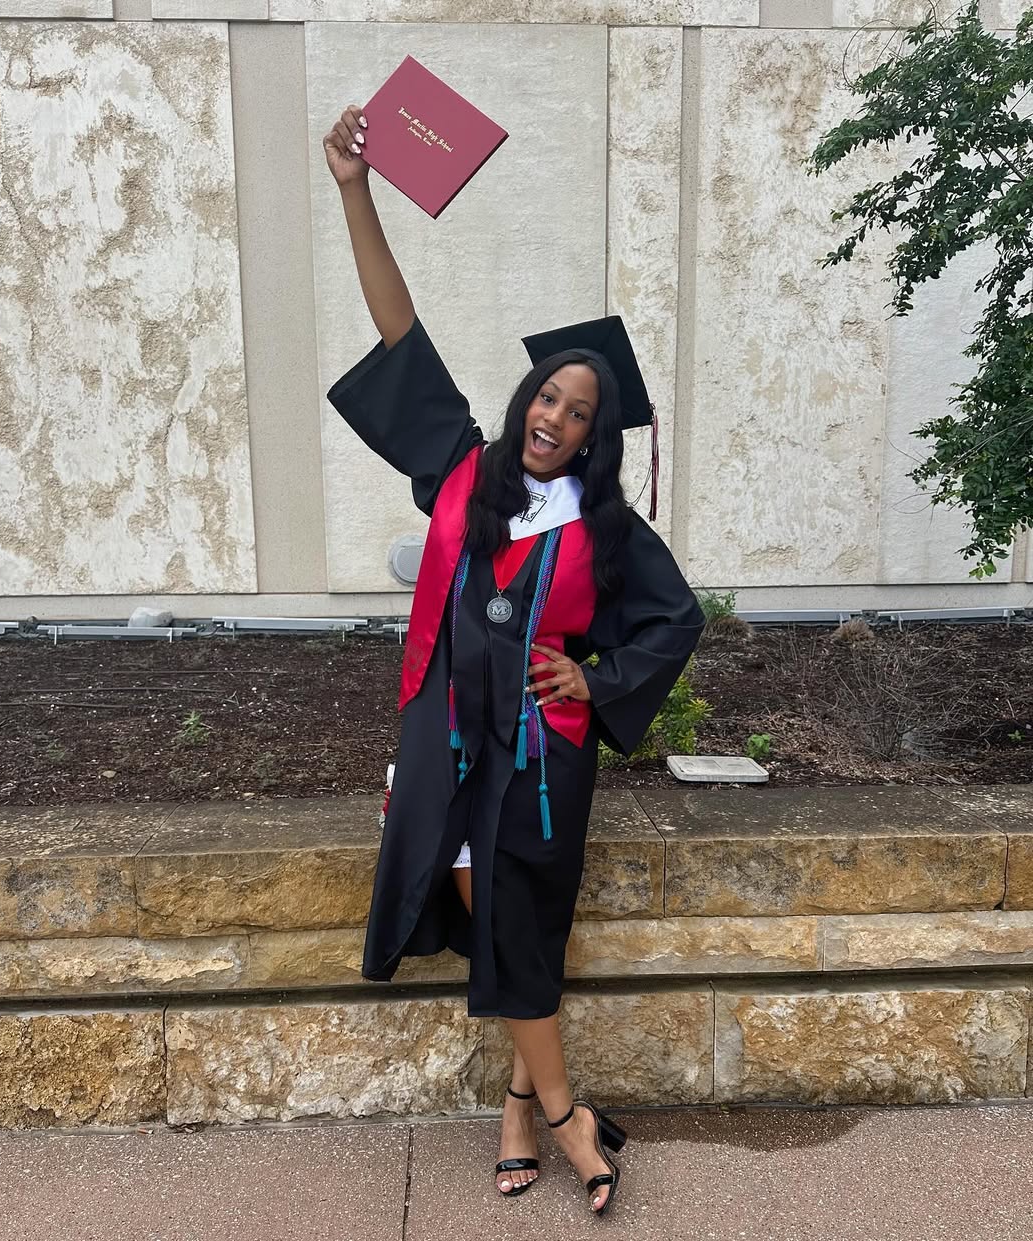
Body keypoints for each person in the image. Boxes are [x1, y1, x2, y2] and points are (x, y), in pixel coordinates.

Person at [322, 102, 706, 1219]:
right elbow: (402, 334)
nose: (556, 416)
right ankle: (561, 1109)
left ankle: (526, 1108)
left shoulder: (607, 529)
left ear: (594, 435)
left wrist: (596, 676)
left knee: (521, 921)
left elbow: (673, 621)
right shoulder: (463, 467)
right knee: (489, 911)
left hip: (543, 752)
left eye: (579, 412)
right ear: (525, 402)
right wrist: (355, 189)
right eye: (548, 396)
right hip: (446, 742)